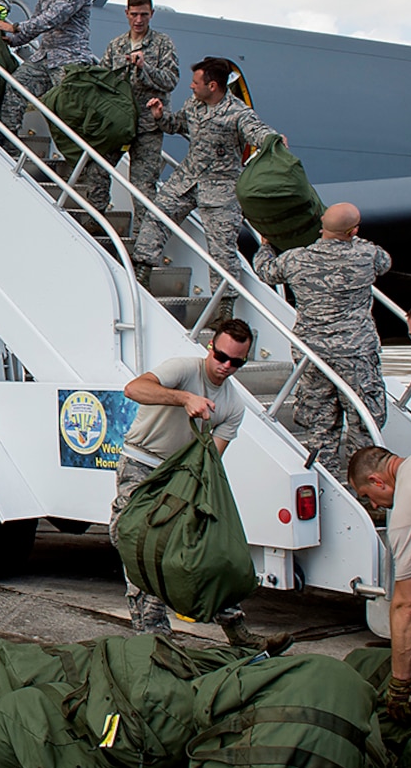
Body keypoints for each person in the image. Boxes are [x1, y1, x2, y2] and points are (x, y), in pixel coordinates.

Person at [114, 319, 288, 651]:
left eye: (236, 362)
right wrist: (183, 399)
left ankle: (237, 631)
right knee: (142, 547)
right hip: (142, 465)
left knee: (206, 547)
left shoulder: (233, 407)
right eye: (221, 356)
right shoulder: (183, 368)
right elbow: (134, 389)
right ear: (210, 348)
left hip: (182, 476)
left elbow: (209, 462)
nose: (226, 367)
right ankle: (153, 638)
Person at [130, 56, 282, 319]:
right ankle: (141, 271)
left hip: (221, 188)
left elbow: (258, 131)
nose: (191, 87)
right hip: (187, 179)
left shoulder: (237, 113)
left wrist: (273, 140)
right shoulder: (194, 104)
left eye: (195, 82)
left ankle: (224, 307)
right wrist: (160, 116)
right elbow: (178, 124)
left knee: (222, 248)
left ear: (213, 86)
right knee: (156, 217)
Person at [253, 203, 391, 474]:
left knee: (319, 422)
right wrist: (354, 238)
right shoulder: (366, 255)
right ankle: (361, 486)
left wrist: (266, 244)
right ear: (354, 231)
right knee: (363, 422)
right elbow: (384, 262)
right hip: (356, 353)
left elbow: (265, 271)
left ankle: (323, 480)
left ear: (322, 226)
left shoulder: (296, 259)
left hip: (312, 354)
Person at [347, 441, 411, 720]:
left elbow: (409, 605)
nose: (376, 505)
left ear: (377, 480)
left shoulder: (408, 502)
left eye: (368, 496)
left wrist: (400, 685)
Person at [72, 0, 179, 222]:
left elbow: (171, 80)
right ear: (126, 14)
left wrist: (145, 67)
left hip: (147, 125)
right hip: (118, 122)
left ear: (151, 14)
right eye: (134, 15)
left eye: (143, 15)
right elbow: (104, 80)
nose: (139, 20)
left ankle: (144, 244)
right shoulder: (117, 45)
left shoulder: (162, 44)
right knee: (97, 168)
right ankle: (95, 222)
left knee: (143, 186)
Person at [0, 0, 93, 136]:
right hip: (45, 57)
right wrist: (13, 40)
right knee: (16, 87)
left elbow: (52, 18)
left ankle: (78, 159)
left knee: (70, 112)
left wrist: (15, 27)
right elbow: (37, 21)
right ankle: (9, 148)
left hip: (69, 61)